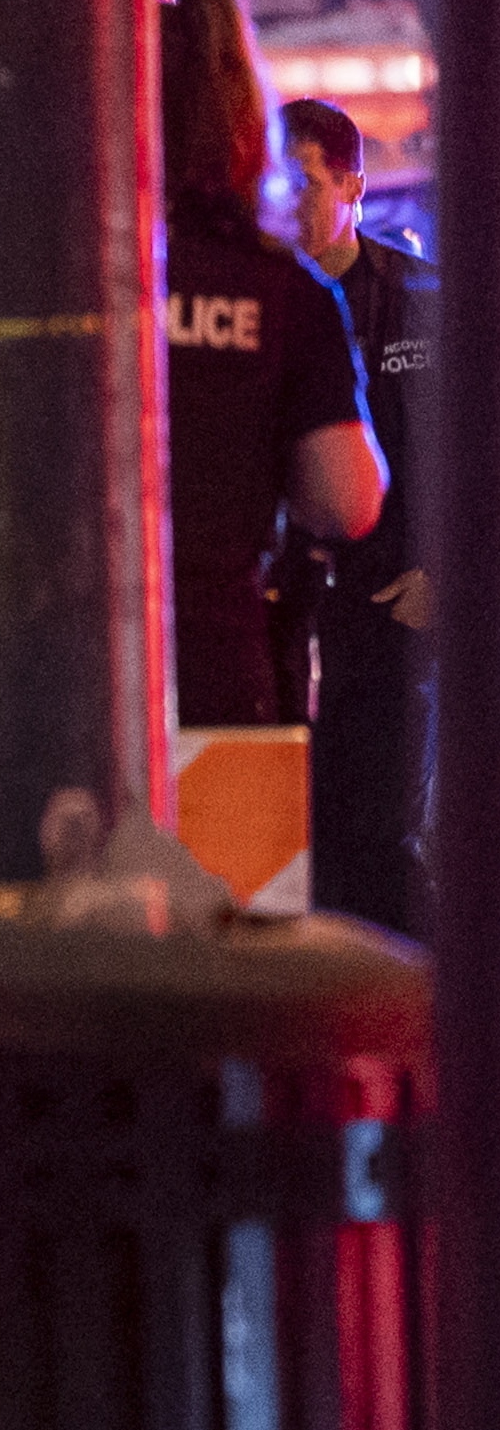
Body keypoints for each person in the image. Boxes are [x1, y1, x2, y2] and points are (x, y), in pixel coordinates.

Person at [157, 0, 384, 731]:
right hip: (212, 658)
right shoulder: (283, 289)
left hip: (50, 663)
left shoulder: (49, 274)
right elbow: (346, 500)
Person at [273, 93, 432, 930]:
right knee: (288, 839)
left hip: (389, 611)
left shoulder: (418, 300)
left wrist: (439, 579)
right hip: (289, 617)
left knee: (375, 838)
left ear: (352, 185)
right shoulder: (267, 303)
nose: (282, 200)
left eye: (300, 181)